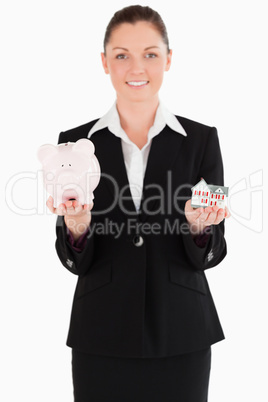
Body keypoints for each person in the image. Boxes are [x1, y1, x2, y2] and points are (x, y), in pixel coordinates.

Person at [47, 5, 229, 401]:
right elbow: (75, 259)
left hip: (183, 331)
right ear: (104, 62)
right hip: (100, 333)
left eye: (150, 54)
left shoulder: (201, 140)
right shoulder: (75, 143)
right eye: (121, 55)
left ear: (168, 59)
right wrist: (77, 223)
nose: (136, 68)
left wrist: (199, 227)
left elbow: (211, 254)